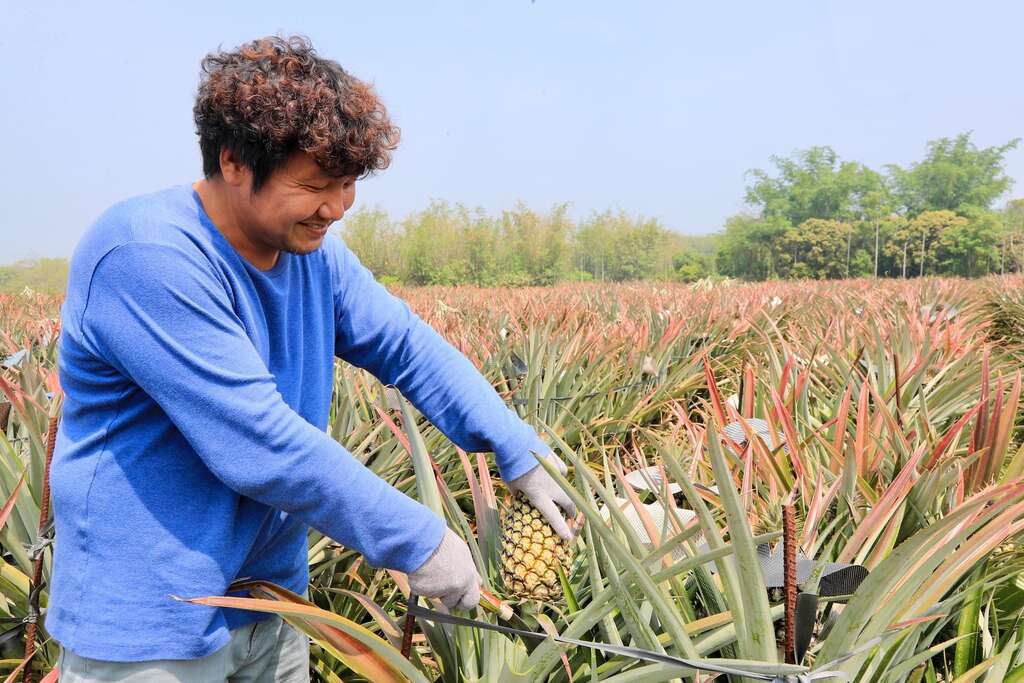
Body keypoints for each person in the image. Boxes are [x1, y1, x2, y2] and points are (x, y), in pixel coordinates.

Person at [48, 35, 575, 682]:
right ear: (234, 162)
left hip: (271, 601)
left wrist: (518, 450)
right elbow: (260, 444)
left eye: (348, 185)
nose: (336, 207)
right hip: (151, 622)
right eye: (315, 185)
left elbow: (406, 347)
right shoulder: (148, 256)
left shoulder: (313, 255)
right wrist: (419, 541)